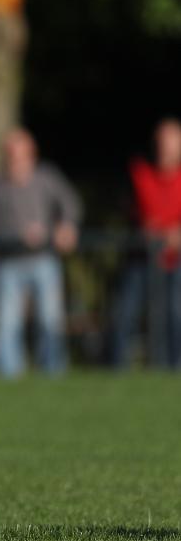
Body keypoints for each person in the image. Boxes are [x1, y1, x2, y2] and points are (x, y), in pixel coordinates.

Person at [0, 128, 81, 378]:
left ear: (31, 154)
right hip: (9, 261)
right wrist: (19, 235)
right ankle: (8, 376)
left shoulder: (47, 178)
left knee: (50, 320)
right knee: (7, 323)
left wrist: (65, 226)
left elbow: (70, 204)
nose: (15, 160)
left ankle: (52, 372)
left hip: (44, 258)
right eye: (10, 154)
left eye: (20, 154)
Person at [110, 118, 181, 368]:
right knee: (124, 314)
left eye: (172, 143)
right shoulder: (138, 172)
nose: (166, 148)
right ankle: (114, 370)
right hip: (140, 257)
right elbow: (124, 205)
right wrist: (141, 223)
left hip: (175, 261)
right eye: (162, 142)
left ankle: (174, 371)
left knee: (175, 314)